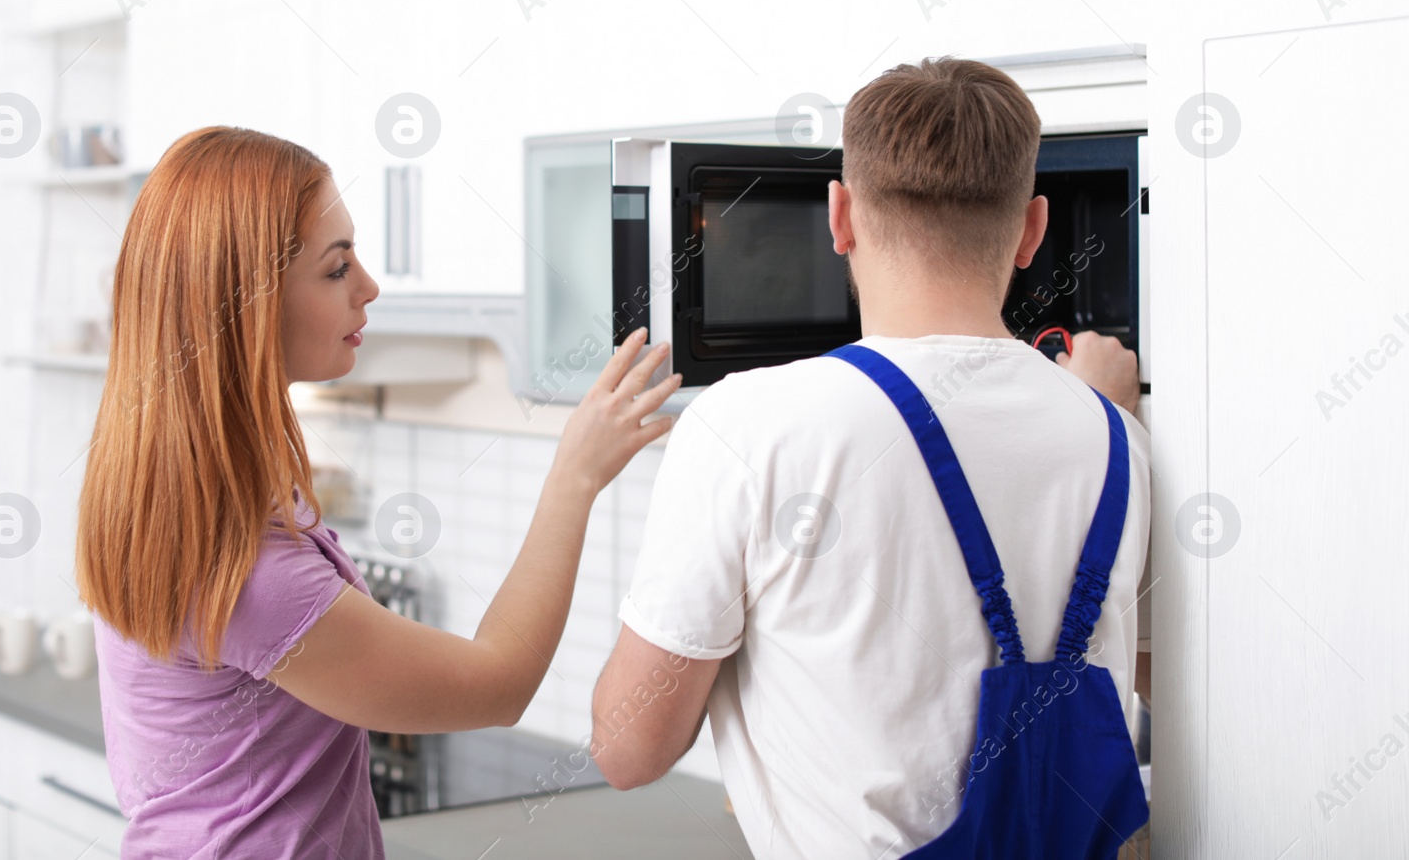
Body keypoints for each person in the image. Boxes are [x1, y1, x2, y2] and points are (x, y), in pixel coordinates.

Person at [592, 57, 1151, 857]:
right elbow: (1147, 674)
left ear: (840, 216)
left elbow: (626, 749)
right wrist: (1099, 410)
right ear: (1032, 229)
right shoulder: (1116, 436)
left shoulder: (747, 424)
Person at [75, 126, 678, 858]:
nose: (368, 285)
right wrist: (575, 476)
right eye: (337, 268)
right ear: (248, 303)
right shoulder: (245, 568)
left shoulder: (170, 492)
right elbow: (500, 683)